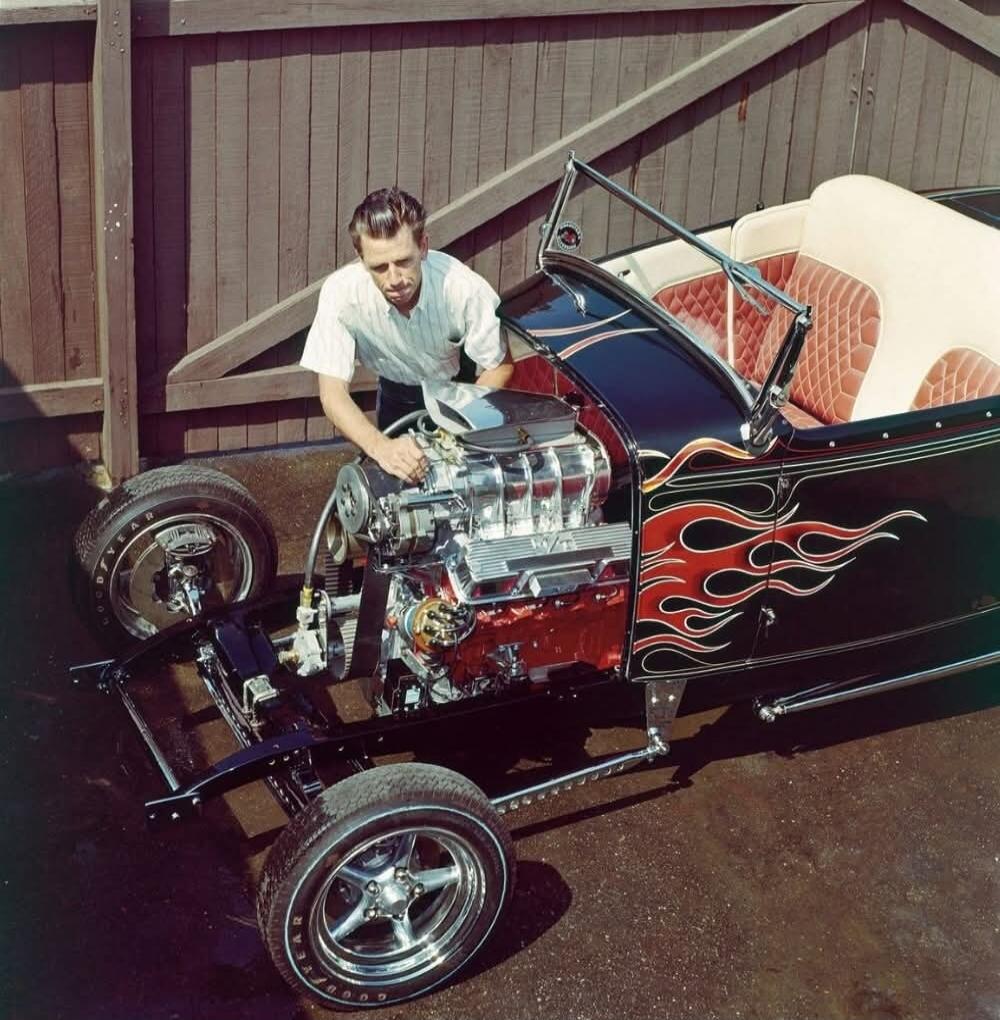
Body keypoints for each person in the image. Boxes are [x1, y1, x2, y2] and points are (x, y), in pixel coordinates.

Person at [300, 187, 513, 483]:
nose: (395, 279)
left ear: (423, 247)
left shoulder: (464, 289)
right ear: (361, 259)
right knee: (395, 487)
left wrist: (454, 431)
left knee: (463, 486)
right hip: (394, 395)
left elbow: (499, 366)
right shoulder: (341, 294)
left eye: (403, 261)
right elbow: (332, 394)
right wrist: (381, 447)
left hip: (458, 395)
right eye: (379, 267)